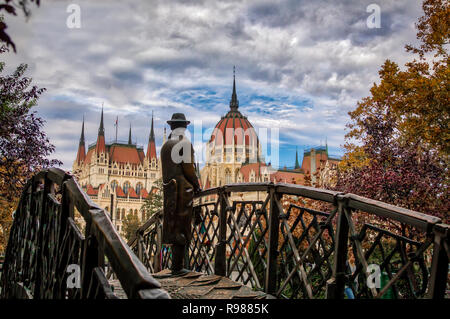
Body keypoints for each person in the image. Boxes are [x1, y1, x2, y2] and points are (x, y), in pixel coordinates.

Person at [160, 113, 201, 274]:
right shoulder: (184, 143)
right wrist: (197, 185)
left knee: (172, 225)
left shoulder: (165, 146)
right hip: (183, 191)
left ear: (171, 127)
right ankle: (177, 267)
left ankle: (175, 265)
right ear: (184, 127)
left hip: (169, 190)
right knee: (182, 226)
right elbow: (189, 170)